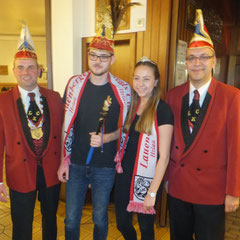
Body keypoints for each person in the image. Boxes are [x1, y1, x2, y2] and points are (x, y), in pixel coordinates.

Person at [166, 9, 240, 240]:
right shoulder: (173, 95)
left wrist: (233, 192)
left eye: (203, 57)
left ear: (214, 62)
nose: (197, 63)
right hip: (178, 186)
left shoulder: (232, 97)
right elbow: (167, 144)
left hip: (213, 191)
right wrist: (166, 178)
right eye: (191, 57)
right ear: (186, 63)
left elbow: (236, 149)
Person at [57, 26, 131, 240]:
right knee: (71, 219)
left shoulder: (123, 90)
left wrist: (107, 138)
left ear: (112, 59)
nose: (97, 60)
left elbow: (127, 129)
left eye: (103, 56)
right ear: (88, 56)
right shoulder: (74, 84)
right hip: (76, 163)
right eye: (93, 55)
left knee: (100, 217)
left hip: (105, 166)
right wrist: (64, 160)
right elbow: (66, 125)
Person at [0, 24, 64, 240]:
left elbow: (65, 134)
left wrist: (66, 162)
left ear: (39, 70)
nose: (25, 72)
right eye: (20, 67)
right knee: (21, 224)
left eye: (31, 67)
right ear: (14, 69)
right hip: (19, 172)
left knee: (50, 220)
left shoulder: (54, 97)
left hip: (50, 171)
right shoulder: (2, 102)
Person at [114, 56, 174, 240]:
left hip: (146, 179)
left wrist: (152, 192)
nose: (140, 84)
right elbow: (129, 135)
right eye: (137, 78)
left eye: (146, 79)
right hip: (124, 175)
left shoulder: (163, 110)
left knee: (146, 229)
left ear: (155, 82)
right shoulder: (133, 106)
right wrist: (107, 137)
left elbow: (164, 157)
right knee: (122, 223)